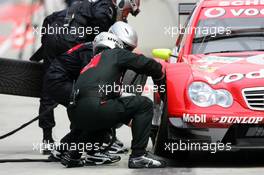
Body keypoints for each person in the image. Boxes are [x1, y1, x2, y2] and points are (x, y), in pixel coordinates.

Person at [30, 0, 141, 154]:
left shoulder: (85, 5)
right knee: (85, 92)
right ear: (121, 4)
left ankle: (47, 139)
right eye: (127, 12)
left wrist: (47, 44)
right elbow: (100, 19)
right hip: (71, 41)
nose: (125, 17)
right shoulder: (106, 8)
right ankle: (85, 138)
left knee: (48, 92)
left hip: (53, 37)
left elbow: (50, 19)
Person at [60, 30, 166, 168]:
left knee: (98, 120)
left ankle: (73, 155)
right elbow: (143, 63)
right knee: (144, 104)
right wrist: (159, 70)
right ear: (115, 44)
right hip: (96, 107)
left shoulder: (90, 64)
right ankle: (138, 155)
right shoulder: (114, 53)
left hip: (75, 114)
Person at [44, 22, 137, 164]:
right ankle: (94, 151)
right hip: (59, 81)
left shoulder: (98, 47)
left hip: (59, 79)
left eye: (131, 49)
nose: (127, 52)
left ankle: (63, 149)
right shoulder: (97, 52)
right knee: (94, 108)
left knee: (89, 109)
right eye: (126, 47)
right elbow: (92, 84)